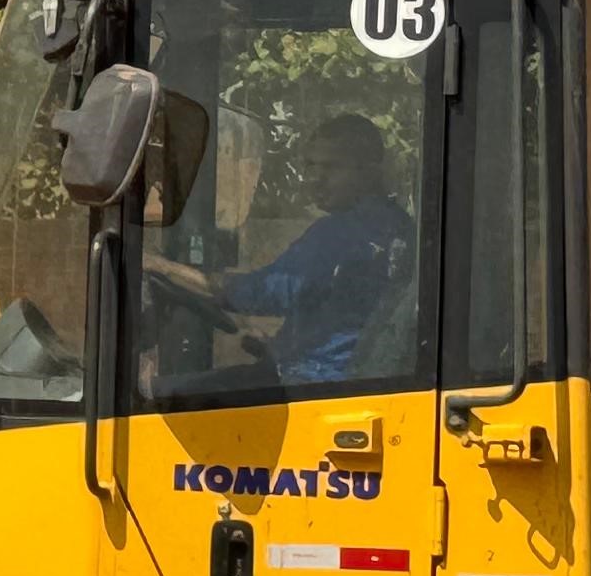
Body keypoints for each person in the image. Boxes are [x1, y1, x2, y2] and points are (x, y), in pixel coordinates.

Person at [151, 114, 413, 386]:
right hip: (336, 373)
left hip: (314, 384)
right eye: (311, 166)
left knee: (158, 399)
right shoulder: (397, 226)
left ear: (369, 172)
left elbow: (260, 293)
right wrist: (278, 346)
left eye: (331, 168)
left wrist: (162, 267)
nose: (315, 179)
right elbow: (346, 317)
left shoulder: (343, 233)